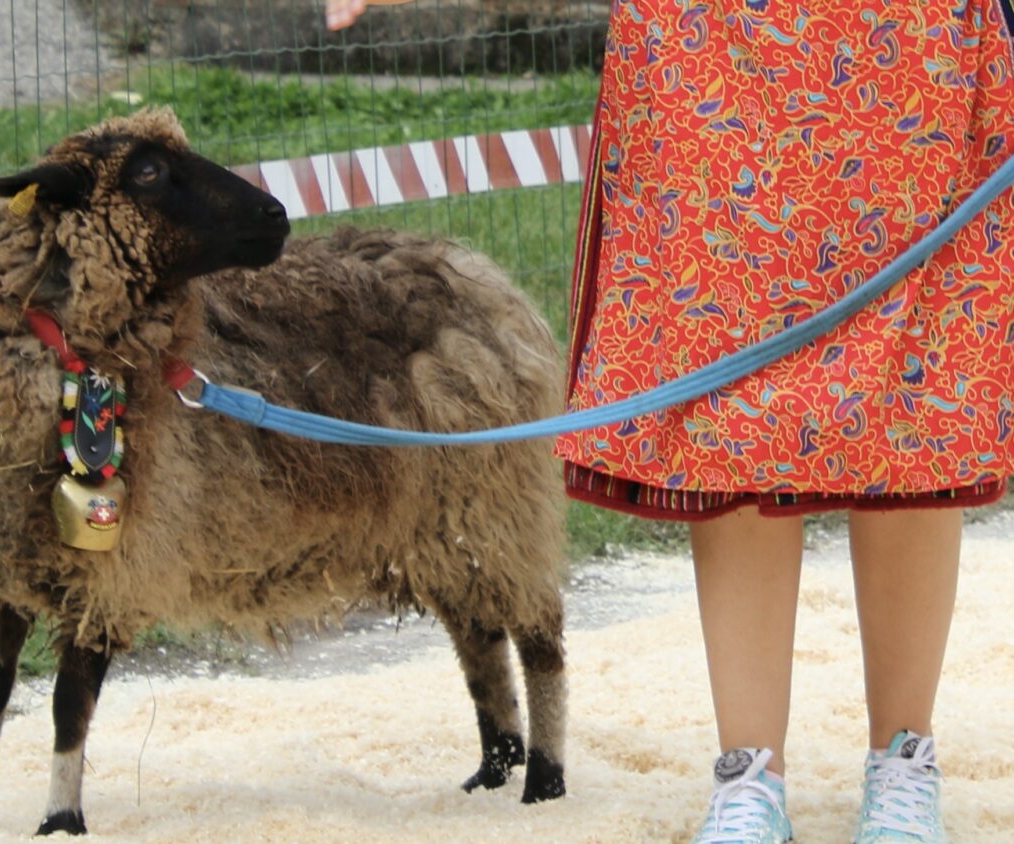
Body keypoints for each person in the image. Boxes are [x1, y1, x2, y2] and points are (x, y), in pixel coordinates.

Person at [327, 1, 1014, 841]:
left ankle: (904, 763)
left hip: (914, 56)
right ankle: (748, 776)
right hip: (715, 56)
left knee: (910, 407)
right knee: (728, 416)